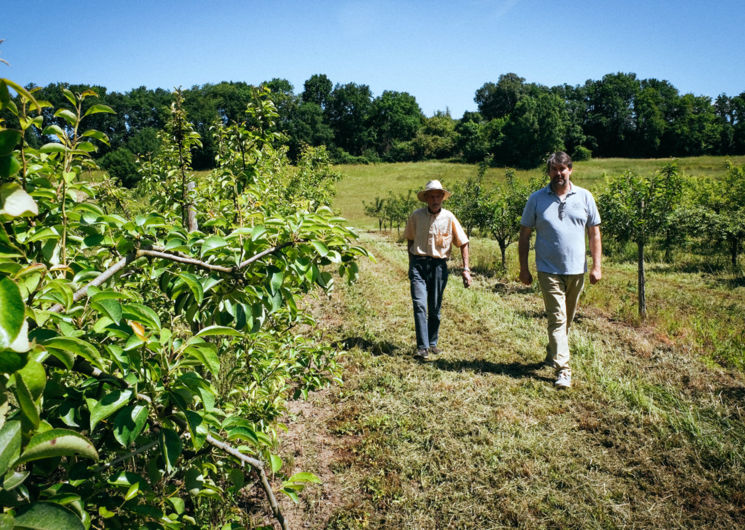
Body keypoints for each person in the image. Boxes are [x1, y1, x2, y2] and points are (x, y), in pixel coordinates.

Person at [518, 152, 602, 388]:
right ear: (549, 173)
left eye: (562, 169)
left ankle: (552, 351)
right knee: (557, 318)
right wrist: (523, 268)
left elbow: (594, 233)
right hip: (548, 269)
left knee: (567, 319)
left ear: (570, 170)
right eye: (554, 169)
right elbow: (524, 235)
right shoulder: (536, 199)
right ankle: (563, 370)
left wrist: (596, 266)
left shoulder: (585, 197)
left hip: (577, 270)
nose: (558, 174)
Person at [404, 180, 472, 360]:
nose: (435, 200)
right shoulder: (416, 216)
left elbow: (463, 242)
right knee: (419, 304)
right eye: (431, 196)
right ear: (426, 198)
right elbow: (410, 240)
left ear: (442, 197)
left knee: (434, 307)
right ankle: (422, 347)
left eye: (438, 196)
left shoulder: (449, 218)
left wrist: (466, 269)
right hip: (418, 265)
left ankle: (432, 343)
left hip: (438, 267)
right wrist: (411, 264)